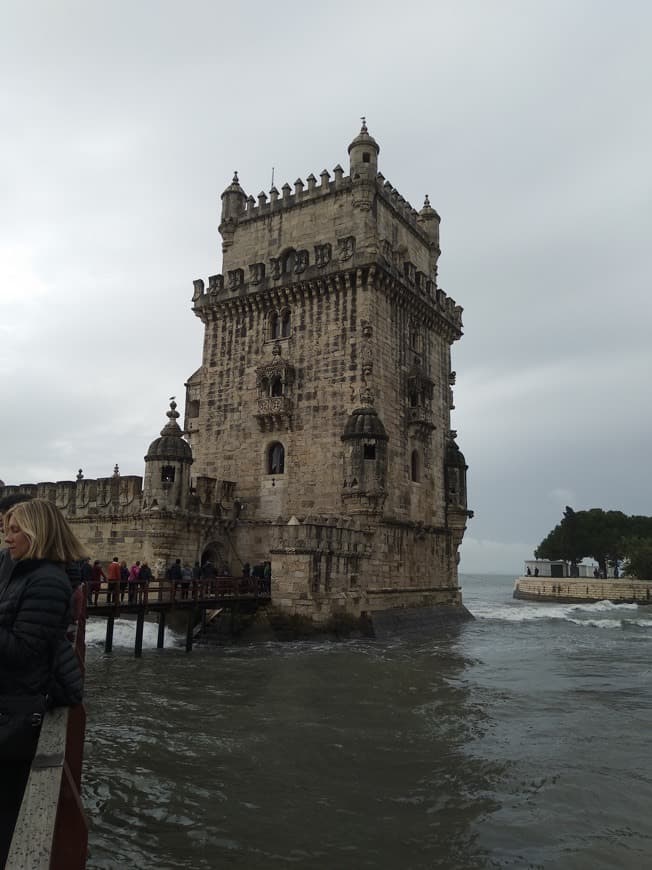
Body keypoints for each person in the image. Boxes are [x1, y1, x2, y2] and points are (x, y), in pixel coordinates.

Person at [0, 498, 87, 866]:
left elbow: (23, 651)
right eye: (6, 528)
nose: (7, 537)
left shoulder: (47, 581)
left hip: (16, 713)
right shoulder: (20, 571)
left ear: (38, 533)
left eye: (15, 529)